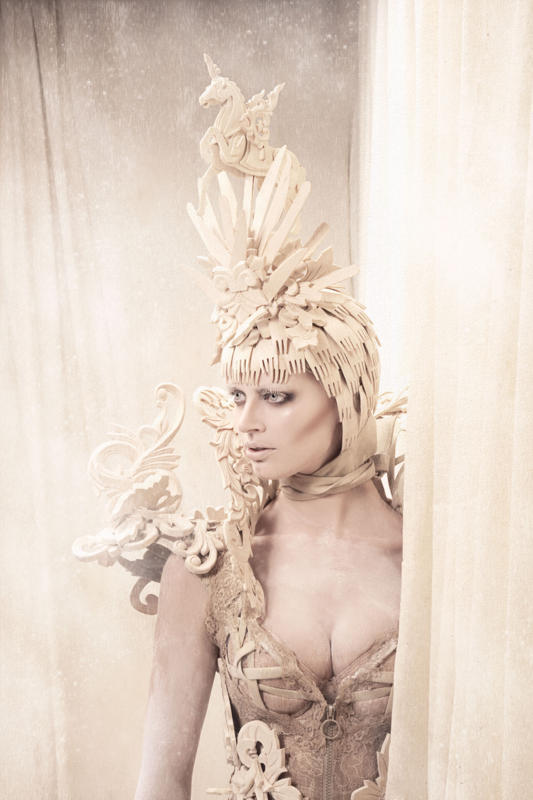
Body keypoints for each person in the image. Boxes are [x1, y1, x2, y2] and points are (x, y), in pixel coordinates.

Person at [73, 65, 405, 800]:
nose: (246, 421)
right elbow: (160, 783)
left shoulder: (425, 555)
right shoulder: (207, 569)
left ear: (346, 398)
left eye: (277, 396)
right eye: (236, 395)